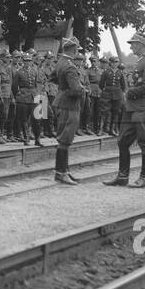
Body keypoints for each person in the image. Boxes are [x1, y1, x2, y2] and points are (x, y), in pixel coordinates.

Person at [103, 32, 145, 188]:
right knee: (122, 142)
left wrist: (129, 92)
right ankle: (122, 176)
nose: (131, 46)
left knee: (144, 143)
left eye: (133, 43)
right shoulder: (140, 62)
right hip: (132, 109)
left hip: (143, 109)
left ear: (140, 45)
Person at [51, 38, 84, 184]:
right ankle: (61, 172)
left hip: (61, 101)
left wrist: (63, 89)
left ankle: (64, 170)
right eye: (77, 49)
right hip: (69, 105)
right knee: (65, 139)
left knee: (64, 138)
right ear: (74, 49)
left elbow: (52, 77)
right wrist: (82, 89)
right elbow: (76, 90)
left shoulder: (60, 62)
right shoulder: (70, 66)